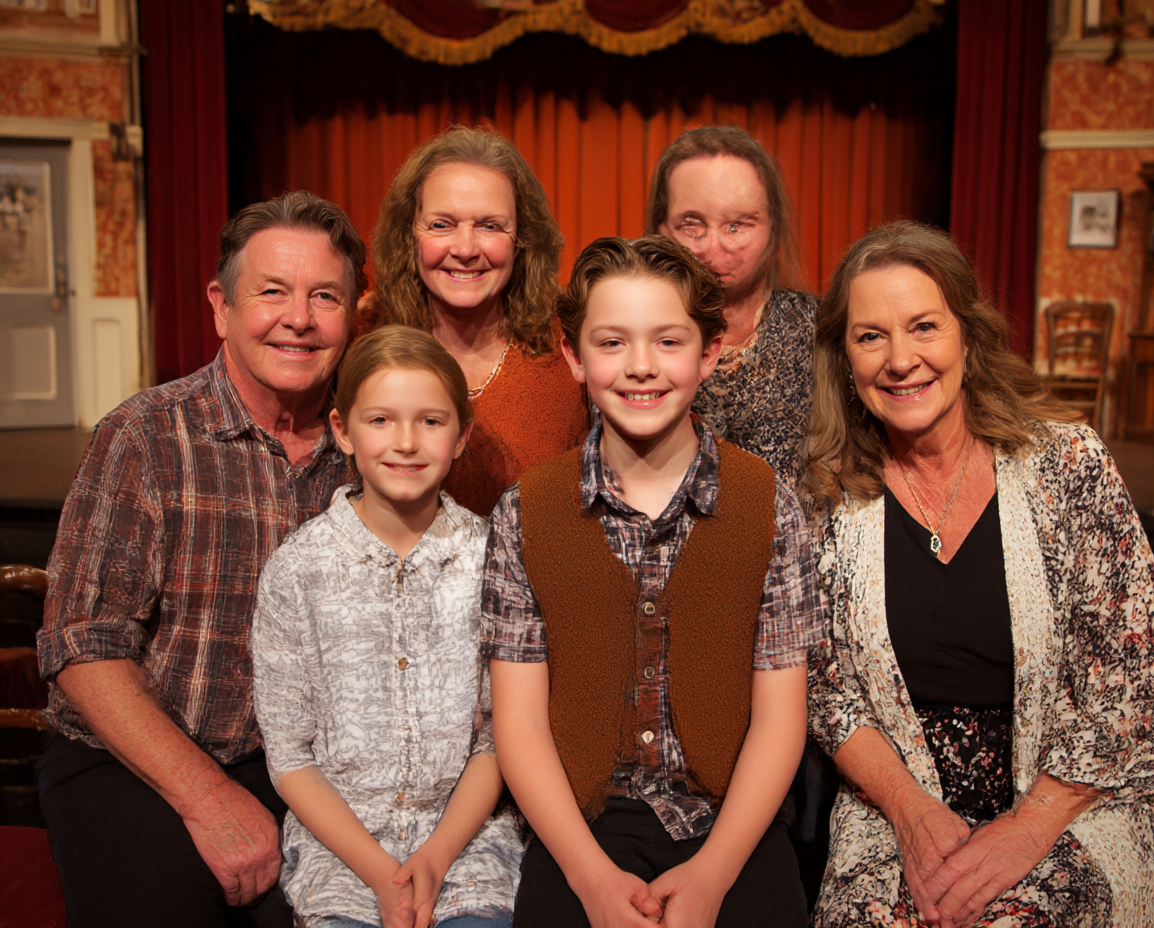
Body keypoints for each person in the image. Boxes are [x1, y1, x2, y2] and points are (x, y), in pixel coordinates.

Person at [802, 220, 1154, 927]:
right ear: (844, 360)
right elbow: (827, 691)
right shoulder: (828, 495)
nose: (900, 359)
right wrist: (911, 813)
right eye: (870, 336)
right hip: (902, 795)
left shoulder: (1069, 465)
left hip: (1079, 790)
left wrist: (1028, 827)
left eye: (923, 326)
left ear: (967, 337)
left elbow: (1137, 689)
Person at [34, 191, 365, 928]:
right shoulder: (144, 437)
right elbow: (83, 644)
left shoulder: (375, 448)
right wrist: (206, 797)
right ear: (221, 306)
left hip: (305, 775)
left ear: (355, 313)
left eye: (325, 296)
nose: (299, 318)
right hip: (138, 761)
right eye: (271, 291)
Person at [484, 235, 823, 928]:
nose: (641, 367)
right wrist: (590, 879)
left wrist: (713, 875)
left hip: (733, 822)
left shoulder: (769, 504)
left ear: (710, 352)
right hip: (582, 825)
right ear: (575, 356)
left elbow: (781, 719)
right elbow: (517, 725)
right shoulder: (526, 511)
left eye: (669, 342)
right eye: (612, 343)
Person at [252, 326, 522, 928]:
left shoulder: (494, 561)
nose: (405, 442)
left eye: (430, 421)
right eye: (380, 421)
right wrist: (379, 872)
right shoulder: (297, 572)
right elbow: (291, 756)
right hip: (341, 852)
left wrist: (438, 854)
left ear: (462, 434)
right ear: (342, 431)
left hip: (468, 845)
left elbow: (496, 739)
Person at [366, 125, 589, 516]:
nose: (466, 249)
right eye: (441, 224)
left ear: (522, 238)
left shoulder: (574, 337)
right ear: (409, 235)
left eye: (490, 226)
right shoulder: (363, 334)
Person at [647, 125, 816, 490]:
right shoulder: (624, 336)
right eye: (691, 225)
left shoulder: (823, 331)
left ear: (774, 227)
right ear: (660, 228)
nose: (713, 246)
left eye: (737, 225)